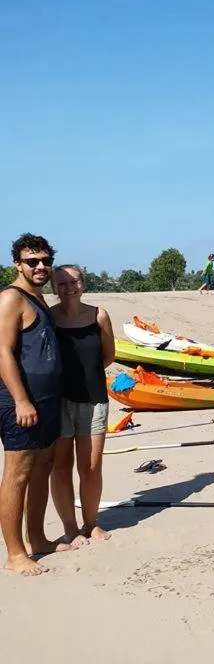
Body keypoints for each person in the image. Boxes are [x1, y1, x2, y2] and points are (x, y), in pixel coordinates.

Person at [0, 233, 74, 575]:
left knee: (43, 466)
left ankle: (38, 538)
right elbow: (2, 352)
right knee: (18, 474)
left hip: (47, 399)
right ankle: (15, 553)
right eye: (33, 261)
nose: (41, 266)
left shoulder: (38, 299)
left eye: (46, 260)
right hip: (21, 401)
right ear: (18, 264)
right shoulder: (11, 298)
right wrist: (20, 399)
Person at [49, 264, 115, 546]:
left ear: (83, 284)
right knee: (60, 466)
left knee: (90, 466)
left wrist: (85, 377)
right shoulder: (49, 317)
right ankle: (70, 528)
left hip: (94, 399)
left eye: (73, 281)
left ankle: (91, 523)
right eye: (61, 283)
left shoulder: (99, 315)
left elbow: (108, 355)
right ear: (54, 288)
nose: (68, 288)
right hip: (58, 400)